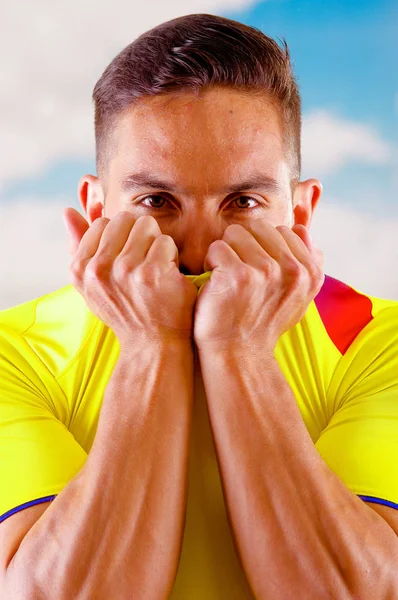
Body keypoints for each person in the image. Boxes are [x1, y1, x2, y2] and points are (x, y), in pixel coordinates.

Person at [0, 12, 397, 600]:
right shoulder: (13, 350)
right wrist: (149, 346)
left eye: (243, 201)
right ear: (95, 210)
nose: (198, 250)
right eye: (157, 201)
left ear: (301, 213)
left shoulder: (377, 339)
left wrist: (238, 350)